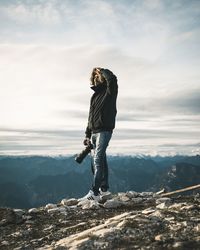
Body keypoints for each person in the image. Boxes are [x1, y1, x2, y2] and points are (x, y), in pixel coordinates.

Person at [80, 67, 118, 202]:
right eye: (94, 78)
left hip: (104, 131)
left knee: (98, 160)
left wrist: (101, 70)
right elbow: (90, 117)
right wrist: (87, 135)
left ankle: (94, 193)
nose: (96, 79)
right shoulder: (94, 96)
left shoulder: (110, 92)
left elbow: (112, 79)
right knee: (99, 161)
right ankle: (104, 190)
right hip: (94, 133)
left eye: (98, 77)